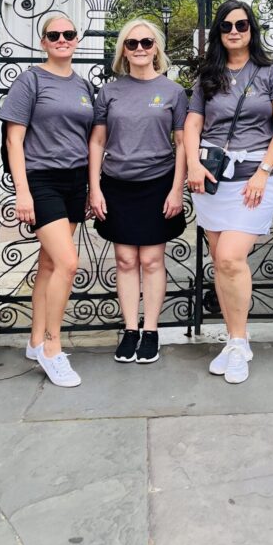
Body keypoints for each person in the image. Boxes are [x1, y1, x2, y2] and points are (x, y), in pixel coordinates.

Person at [184, 0, 273, 384]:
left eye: (242, 24)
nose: (234, 31)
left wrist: (265, 172)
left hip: (254, 179)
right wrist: (193, 165)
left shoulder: (271, 74)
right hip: (213, 179)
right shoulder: (207, 76)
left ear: (252, 29)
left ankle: (236, 340)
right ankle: (236, 341)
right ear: (219, 32)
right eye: (227, 25)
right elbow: (193, 125)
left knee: (231, 257)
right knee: (221, 261)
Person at [1, 14, 94, 388]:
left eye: (68, 34)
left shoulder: (84, 84)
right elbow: (13, 141)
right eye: (54, 35)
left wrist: (89, 187)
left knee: (50, 264)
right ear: (43, 42)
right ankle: (52, 348)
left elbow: (89, 140)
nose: (61, 39)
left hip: (74, 181)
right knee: (69, 263)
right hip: (42, 181)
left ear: (76, 39)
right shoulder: (30, 81)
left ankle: (35, 339)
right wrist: (22, 190)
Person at [88, 19, 187, 365]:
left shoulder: (173, 93)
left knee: (151, 259)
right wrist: (95, 188)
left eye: (146, 42)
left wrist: (178, 189)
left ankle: (151, 330)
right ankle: (130, 329)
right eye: (132, 43)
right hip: (117, 184)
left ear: (156, 47)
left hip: (159, 183)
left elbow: (183, 144)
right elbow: (97, 141)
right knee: (126, 260)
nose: (140, 48)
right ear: (123, 50)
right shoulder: (110, 92)